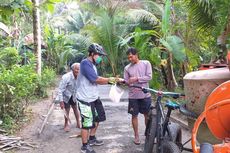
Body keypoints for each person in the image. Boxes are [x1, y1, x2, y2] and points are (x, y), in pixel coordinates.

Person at [76, 43, 122, 153]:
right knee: (87, 123)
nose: (100, 57)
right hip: (85, 99)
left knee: (98, 118)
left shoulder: (92, 65)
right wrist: (112, 80)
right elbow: (95, 80)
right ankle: (84, 146)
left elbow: (98, 77)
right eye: (99, 55)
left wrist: (112, 80)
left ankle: (92, 138)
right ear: (92, 54)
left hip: (94, 97)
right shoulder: (85, 63)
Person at [124, 47, 152, 145]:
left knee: (147, 115)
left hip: (145, 94)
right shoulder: (127, 68)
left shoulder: (146, 63)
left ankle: (148, 134)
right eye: (128, 58)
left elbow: (149, 77)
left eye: (131, 57)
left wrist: (136, 79)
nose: (130, 59)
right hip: (133, 96)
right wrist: (124, 82)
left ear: (136, 55)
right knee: (134, 115)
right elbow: (126, 81)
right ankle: (136, 136)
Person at [57, 63, 81, 132]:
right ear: (72, 69)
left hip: (73, 95)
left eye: (79, 69)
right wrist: (61, 101)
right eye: (76, 69)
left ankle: (78, 123)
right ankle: (66, 124)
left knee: (75, 108)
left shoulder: (80, 76)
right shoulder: (66, 77)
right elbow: (60, 90)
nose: (78, 71)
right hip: (66, 95)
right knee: (67, 109)